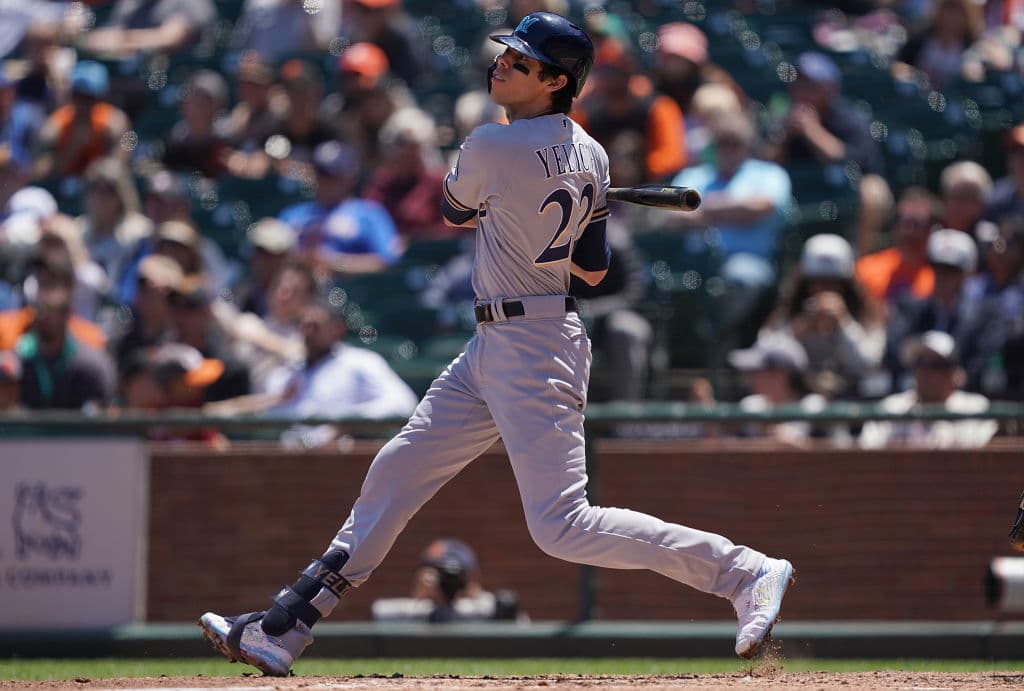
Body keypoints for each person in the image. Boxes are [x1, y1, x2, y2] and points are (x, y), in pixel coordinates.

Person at [199, 12, 794, 676]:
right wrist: (588, 204)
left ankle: (746, 571)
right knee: (399, 469)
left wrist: (557, 200)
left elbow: (456, 212)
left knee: (562, 525)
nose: (502, 65)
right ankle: (285, 625)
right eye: (506, 55)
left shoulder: (489, 144)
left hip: (533, 343)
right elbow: (592, 268)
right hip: (500, 340)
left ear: (555, 80)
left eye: (520, 61)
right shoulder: (591, 154)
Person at [666, 110, 793, 349]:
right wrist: (733, 210)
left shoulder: (768, 173)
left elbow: (759, 208)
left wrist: (704, 209)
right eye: (722, 143)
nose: (728, 149)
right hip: (693, 261)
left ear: (748, 145)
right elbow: (672, 217)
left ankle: (716, 340)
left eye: (735, 143)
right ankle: (687, 344)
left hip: (747, 260)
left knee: (739, 279)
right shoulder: (694, 174)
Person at [760, 233, 886, 400]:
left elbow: (868, 364)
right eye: (816, 281)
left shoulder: (865, 313)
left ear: (847, 284)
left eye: (833, 282)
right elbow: (762, 356)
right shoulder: (791, 310)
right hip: (798, 401)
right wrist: (800, 329)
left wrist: (844, 323)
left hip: (854, 403)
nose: (824, 288)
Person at [859, 330, 998, 448]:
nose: (926, 372)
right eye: (920, 363)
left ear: (954, 373)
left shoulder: (976, 408)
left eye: (936, 365)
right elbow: (867, 453)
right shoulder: (890, 407)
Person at [370, 538, 520, 623]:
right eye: (442, 574)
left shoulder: (498, 608)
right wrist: (421, 598)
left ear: (473, 576)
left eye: (458, 575)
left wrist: (472, 594)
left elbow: (522, 632)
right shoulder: (410, 611)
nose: (450, 581)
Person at [855, 186, 943, 306]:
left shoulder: (942, 275)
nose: (907, 231)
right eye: (902, 221)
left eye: (916, 224)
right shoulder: (865, 270)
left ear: (932, 229)